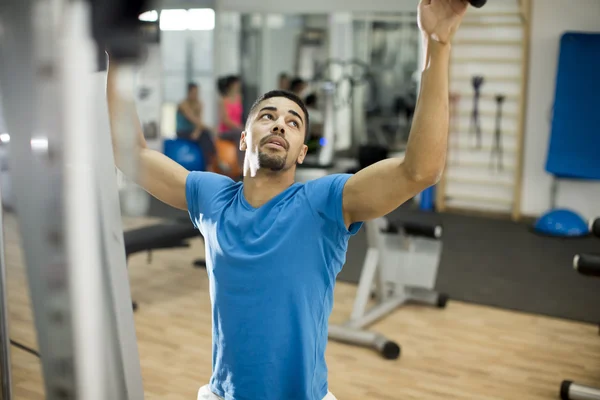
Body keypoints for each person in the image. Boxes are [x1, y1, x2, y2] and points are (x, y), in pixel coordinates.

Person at [106, 1, 469, 399]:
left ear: (301, 152)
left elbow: (420, 171)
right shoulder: (213, 199)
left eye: (293, 122)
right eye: (268, 115)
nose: (280, 122)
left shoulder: (323, 204)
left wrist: (438, 44)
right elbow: (132, 155)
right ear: (244, 138)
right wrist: (116, 54)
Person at [176, 82, 216, 166]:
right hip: (183, 131)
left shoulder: (199, 104)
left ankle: (211, 162)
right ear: (189, 93)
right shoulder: (183, 104)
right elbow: (193, 119)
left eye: (197, 93)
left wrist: (197, 131)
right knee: (206, 133)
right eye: (194, 93)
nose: (196, 95)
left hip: (193, 130)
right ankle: (212, 163)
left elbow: (199, 120)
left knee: (205, 135)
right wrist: (209, 128)